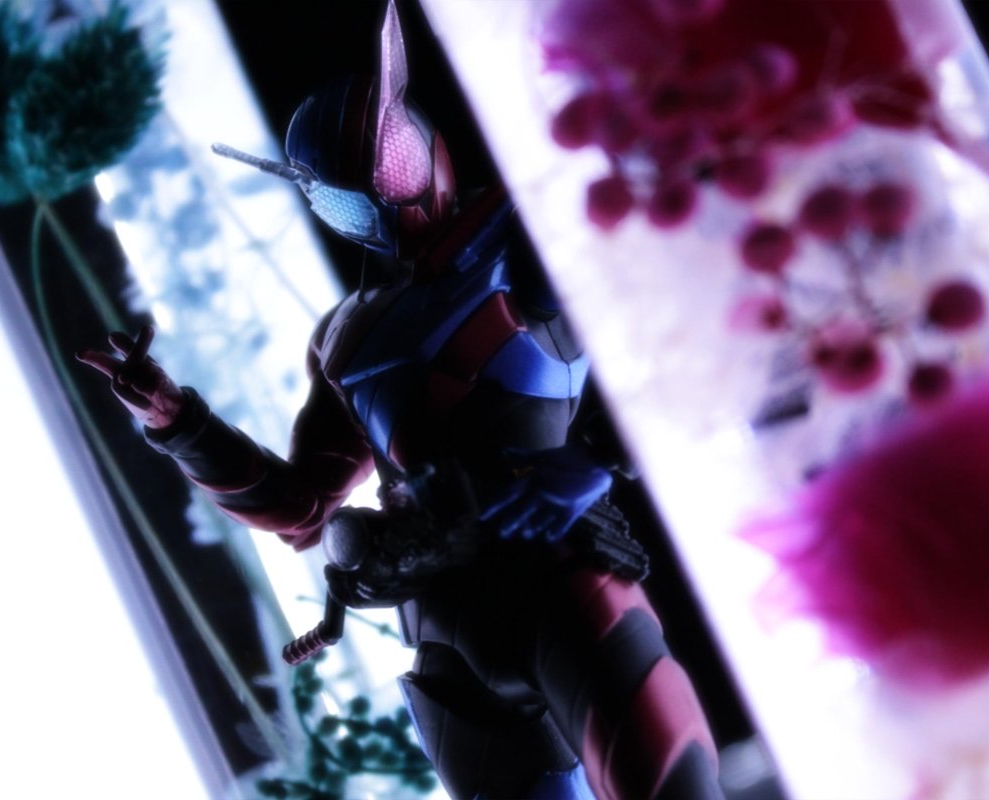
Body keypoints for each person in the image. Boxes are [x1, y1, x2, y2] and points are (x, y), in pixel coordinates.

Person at [79, 5, 722, 798]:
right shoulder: (347, 337)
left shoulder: (520, 229)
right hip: (448, 629)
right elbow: (302, 507)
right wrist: (178, 422)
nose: (383, 201)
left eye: (386, 162)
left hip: (555, 570)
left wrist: (594, 456)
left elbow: (679, 326)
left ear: (417, 137)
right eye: (348, 197)